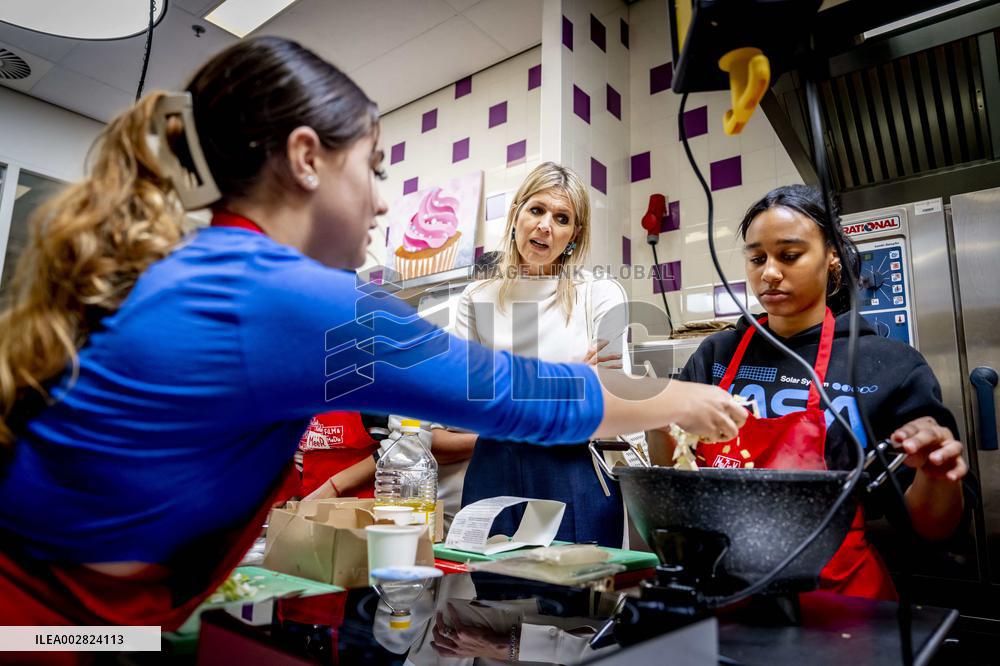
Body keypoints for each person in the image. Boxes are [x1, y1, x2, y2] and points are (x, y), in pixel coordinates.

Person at [0, 36, 746, 631]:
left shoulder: (206, 268)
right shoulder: (293, 298)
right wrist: (683, 398)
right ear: (306, 159)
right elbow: (517, 394)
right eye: (375, 167)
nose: (385, 203)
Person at [651, 184, 970, 600]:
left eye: (789, 255)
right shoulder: (717, 354)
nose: (769, 273)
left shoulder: (889, 366)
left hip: (836, 599)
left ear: (831, 254)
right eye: (757, 259)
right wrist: (657, 420)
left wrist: (935, 474)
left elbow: (933, 528)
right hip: (722, 590)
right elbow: (677, 480)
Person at [455, 162, 639, 547]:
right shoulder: (477, 299)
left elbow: (609, 400)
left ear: (574, 234)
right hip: (493, 471)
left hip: (575, 472)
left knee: (577, 585)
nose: (545, 226)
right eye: (536, 210)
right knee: (492, 583)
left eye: (561, 218)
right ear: (516, 214)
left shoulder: (599, 294)